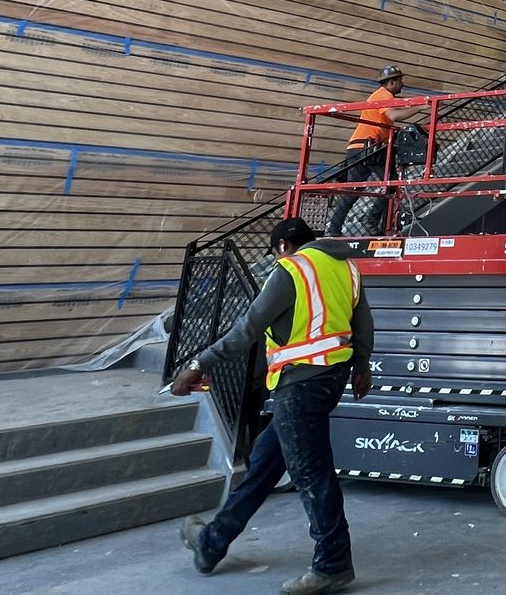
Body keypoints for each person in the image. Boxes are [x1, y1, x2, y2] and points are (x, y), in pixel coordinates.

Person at [172, 217, 374, 595]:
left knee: (313, 475)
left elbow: (247, 328)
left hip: (299, 385)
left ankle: (333, 565)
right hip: (330, 380)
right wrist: (361, 367)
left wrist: (198, 365)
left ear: (282, 246)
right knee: (264, 467)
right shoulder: (346, 266)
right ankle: (210, 543)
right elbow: (364, 321)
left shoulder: (290, 270)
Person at [324, 66, 403, 238]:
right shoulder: (384, 94)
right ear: (392, 82)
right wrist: (421, 108)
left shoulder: (378, 95)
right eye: (399, 81)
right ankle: (371, 220)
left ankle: (333, 229)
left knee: (353, 190)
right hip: (370, 148)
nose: (401, 84)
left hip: (356, 147)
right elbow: (394, 116)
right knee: (392, 183)